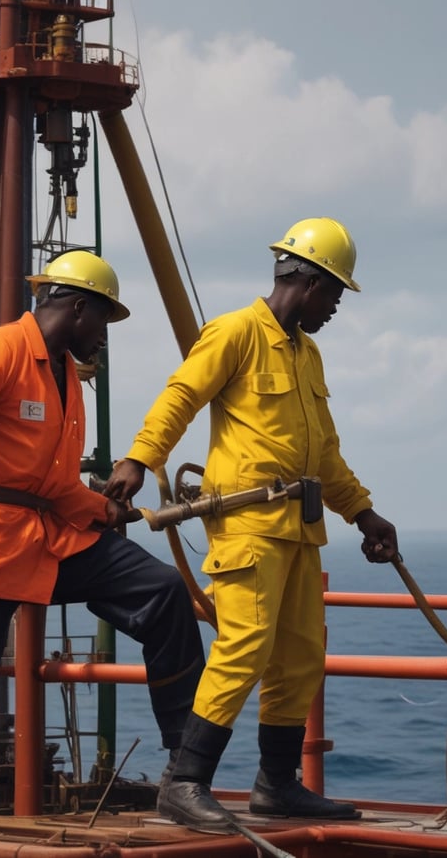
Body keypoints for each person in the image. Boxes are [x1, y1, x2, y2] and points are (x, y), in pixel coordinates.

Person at [0, 250, 205, 835]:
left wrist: (100, 508)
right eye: (103, 321)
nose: (104, 337)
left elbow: (51, 483)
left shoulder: (64, 375)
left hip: (46, 539)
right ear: (78, 308)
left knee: (162, 591)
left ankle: (187, 768)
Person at [105, 217, 399, 832]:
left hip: (298, 530)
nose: (337, 306)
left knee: (298, 657)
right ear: (309, 281)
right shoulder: (235, 332)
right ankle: (184, 783)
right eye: (336, 292)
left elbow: (325, 456)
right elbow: (181, 395)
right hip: (245, 526)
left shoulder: (307, 354)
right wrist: (140, 459)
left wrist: (363, 512)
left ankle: (277, 785)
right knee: (244, 646)